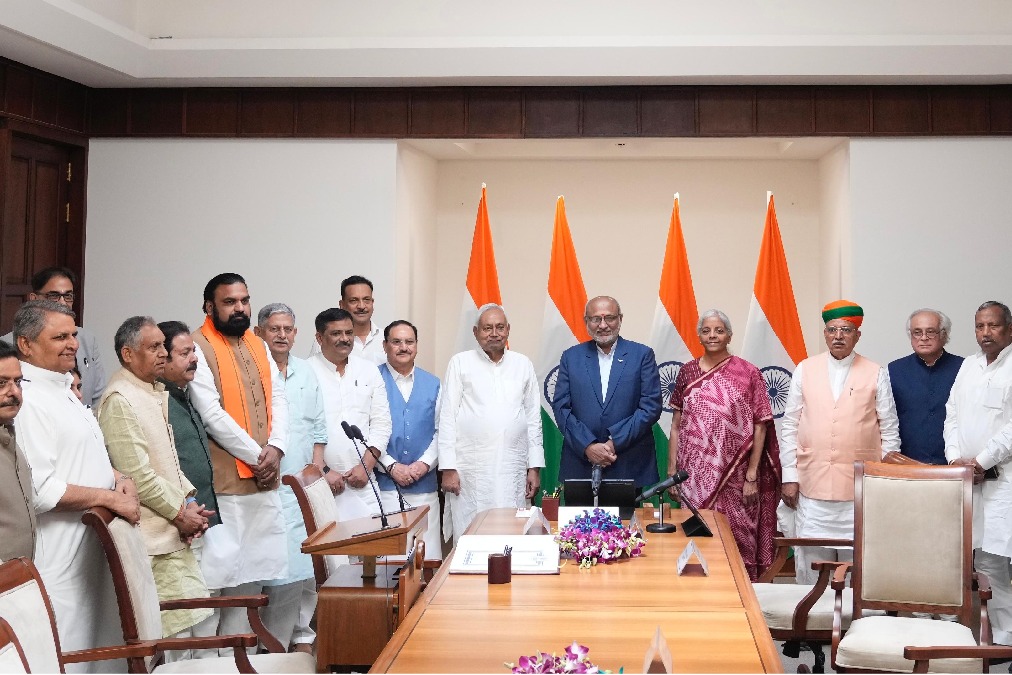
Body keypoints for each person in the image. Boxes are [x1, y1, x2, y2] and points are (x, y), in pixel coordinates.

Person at [12, 300, 140, 671]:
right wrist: (110, 498)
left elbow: (81, 456)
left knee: (101, 655)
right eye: (60, 337)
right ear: (25, 345)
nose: (73, 344)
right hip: (58, 560)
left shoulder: (63, 386)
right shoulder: (29, 399)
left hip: (90, 555)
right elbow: (40, 490)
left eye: (73, 335)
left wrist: (120, 479)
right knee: (68, 659)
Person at [189, 273, 289, 647]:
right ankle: (207, 661)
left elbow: (278, 398)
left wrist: (277, 448)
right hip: (224, 484)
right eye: (229, 302)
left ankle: (236, 657)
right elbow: (211, 413)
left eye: (244, 300)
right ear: (209, 307)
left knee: (251, 578)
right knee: (218, 577)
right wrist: (259, 456)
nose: (240, 308)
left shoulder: (257, 344)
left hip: (263, 481)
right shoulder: (197, 346)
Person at [98, 316, 213, 639]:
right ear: (128, 354)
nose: (163, 353)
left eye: (163, 345)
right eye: (153, 347)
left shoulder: (150, 390)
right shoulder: (121, 399)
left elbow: (169, 464)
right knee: (173, 642)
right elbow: (138, 477)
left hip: (170, 529)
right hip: (152, 539)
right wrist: (181, 513)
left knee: (192, 632)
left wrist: (189, 503)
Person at [780, 300, 900, 583]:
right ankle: (811, 612)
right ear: (824, 334)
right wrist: (789, 476)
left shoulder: (875, 371)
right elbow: (789, 426)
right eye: (832, 330)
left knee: (855, 568)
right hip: (812, 486)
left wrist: (885, 479)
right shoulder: (805, 369)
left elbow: (889, 428)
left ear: (857, 335)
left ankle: (850, 613)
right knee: (812, 565)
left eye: (846, 330)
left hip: (858, 488)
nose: (838, 336)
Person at [666, 310, 781, 581]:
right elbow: (676, 426)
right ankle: (699, 595)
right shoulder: (687, 372)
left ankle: (742, 594)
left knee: (738, 538)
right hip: (693, 477)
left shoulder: (748, 373)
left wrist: (752, 476)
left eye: (719, 330)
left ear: (729, 335)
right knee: (695, 537)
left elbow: (760, 425)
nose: (712, 336)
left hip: (736, 477)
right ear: (699, 336)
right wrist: (672, 473)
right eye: (706, 330)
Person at [439, 303, 544, 544]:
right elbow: (447, 417)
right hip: (471, 468)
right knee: (472, 532)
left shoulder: (523, 364)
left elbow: (533, 419)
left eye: (499, 327)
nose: (494, 333)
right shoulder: (460, 362)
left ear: (508, 330)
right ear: (476, 332)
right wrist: (448, 468)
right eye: (487, 328)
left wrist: (534, 467)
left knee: (512, 531)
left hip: (512, 466)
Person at [254, 303, 326, 654]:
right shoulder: (252, 371)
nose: (282, 335)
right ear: (258, 333)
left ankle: (288, 646)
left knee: (300, 568)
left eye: (287, 329)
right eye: (274, 329)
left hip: (299, 489)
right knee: (267, 573)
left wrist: (315, 470)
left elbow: (319, 426)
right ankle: (262, 650)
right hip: (263, 486)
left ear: (296, 334)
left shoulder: (306, 372)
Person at [944, 300, 1012, 644]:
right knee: (986, 560)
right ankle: (1002, 637)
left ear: (1009, 329)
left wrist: (982, 460)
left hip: (1003, 480)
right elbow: (952, 413)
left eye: (993, 325)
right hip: (970, 480)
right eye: (980, 326)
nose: (986, 333)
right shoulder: (969, 365)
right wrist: (956, 460)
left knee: (1002, 556)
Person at [552, 296, 661, 487]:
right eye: (596, 319)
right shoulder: (571, 357)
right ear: (586, 321)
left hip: (628, 462)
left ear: (620, 319)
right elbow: (561, 408)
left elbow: (650, 407)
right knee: (580, 509)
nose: (603, 325)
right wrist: (588, 446)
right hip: (581, 463)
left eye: (609, 318)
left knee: (628, 510)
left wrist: (614, 442)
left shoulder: (642, 355)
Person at [308, 308, 392, 512]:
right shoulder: (306, 371)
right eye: (336, 333)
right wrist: (323, 470)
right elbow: (300, 429)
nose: (345, 339)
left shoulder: (368, 370)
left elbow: (382, 424)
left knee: (375, 533)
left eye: (349, 333)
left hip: (364, 481)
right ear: (319, 338)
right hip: (319, 483)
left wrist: (366, 467)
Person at [377, 320, 442, 560]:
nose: (403, 347)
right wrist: (391, 466)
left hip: (424, 487)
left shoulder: (434, 383)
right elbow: (366, 432)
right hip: (384, 488)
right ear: (385, 345)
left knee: (427, 559)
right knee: (389, 564)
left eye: (409, 342)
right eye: (396, 342)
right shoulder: (371, 379)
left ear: (416, 345)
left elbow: (442, 431)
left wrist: (423, 464)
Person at [1, 267, 107, 408]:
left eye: (68, 296)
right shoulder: (8, 345)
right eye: (54, 296)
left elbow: (98, 396)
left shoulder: (87, 339)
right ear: (34, 298)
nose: (62, 302)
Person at [888, 308, 963, 465]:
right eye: (917, 332)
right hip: (907, 464)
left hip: (954, 463)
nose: (923, 338)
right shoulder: (894, 370)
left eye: (930, 332)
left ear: (944, 334)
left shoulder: (964, 368)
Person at [0, 339, 36, 563]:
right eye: (1, 383)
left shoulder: (8, 434)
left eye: (18, 382)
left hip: (20, 576)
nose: (14, 393)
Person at [308, 275, 385, 364]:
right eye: (354, 300)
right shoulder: (326, 340)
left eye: (366, 300)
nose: (361, 306)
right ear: (342, 305)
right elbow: (312, 369)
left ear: (372, 302)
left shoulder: (387, 339)